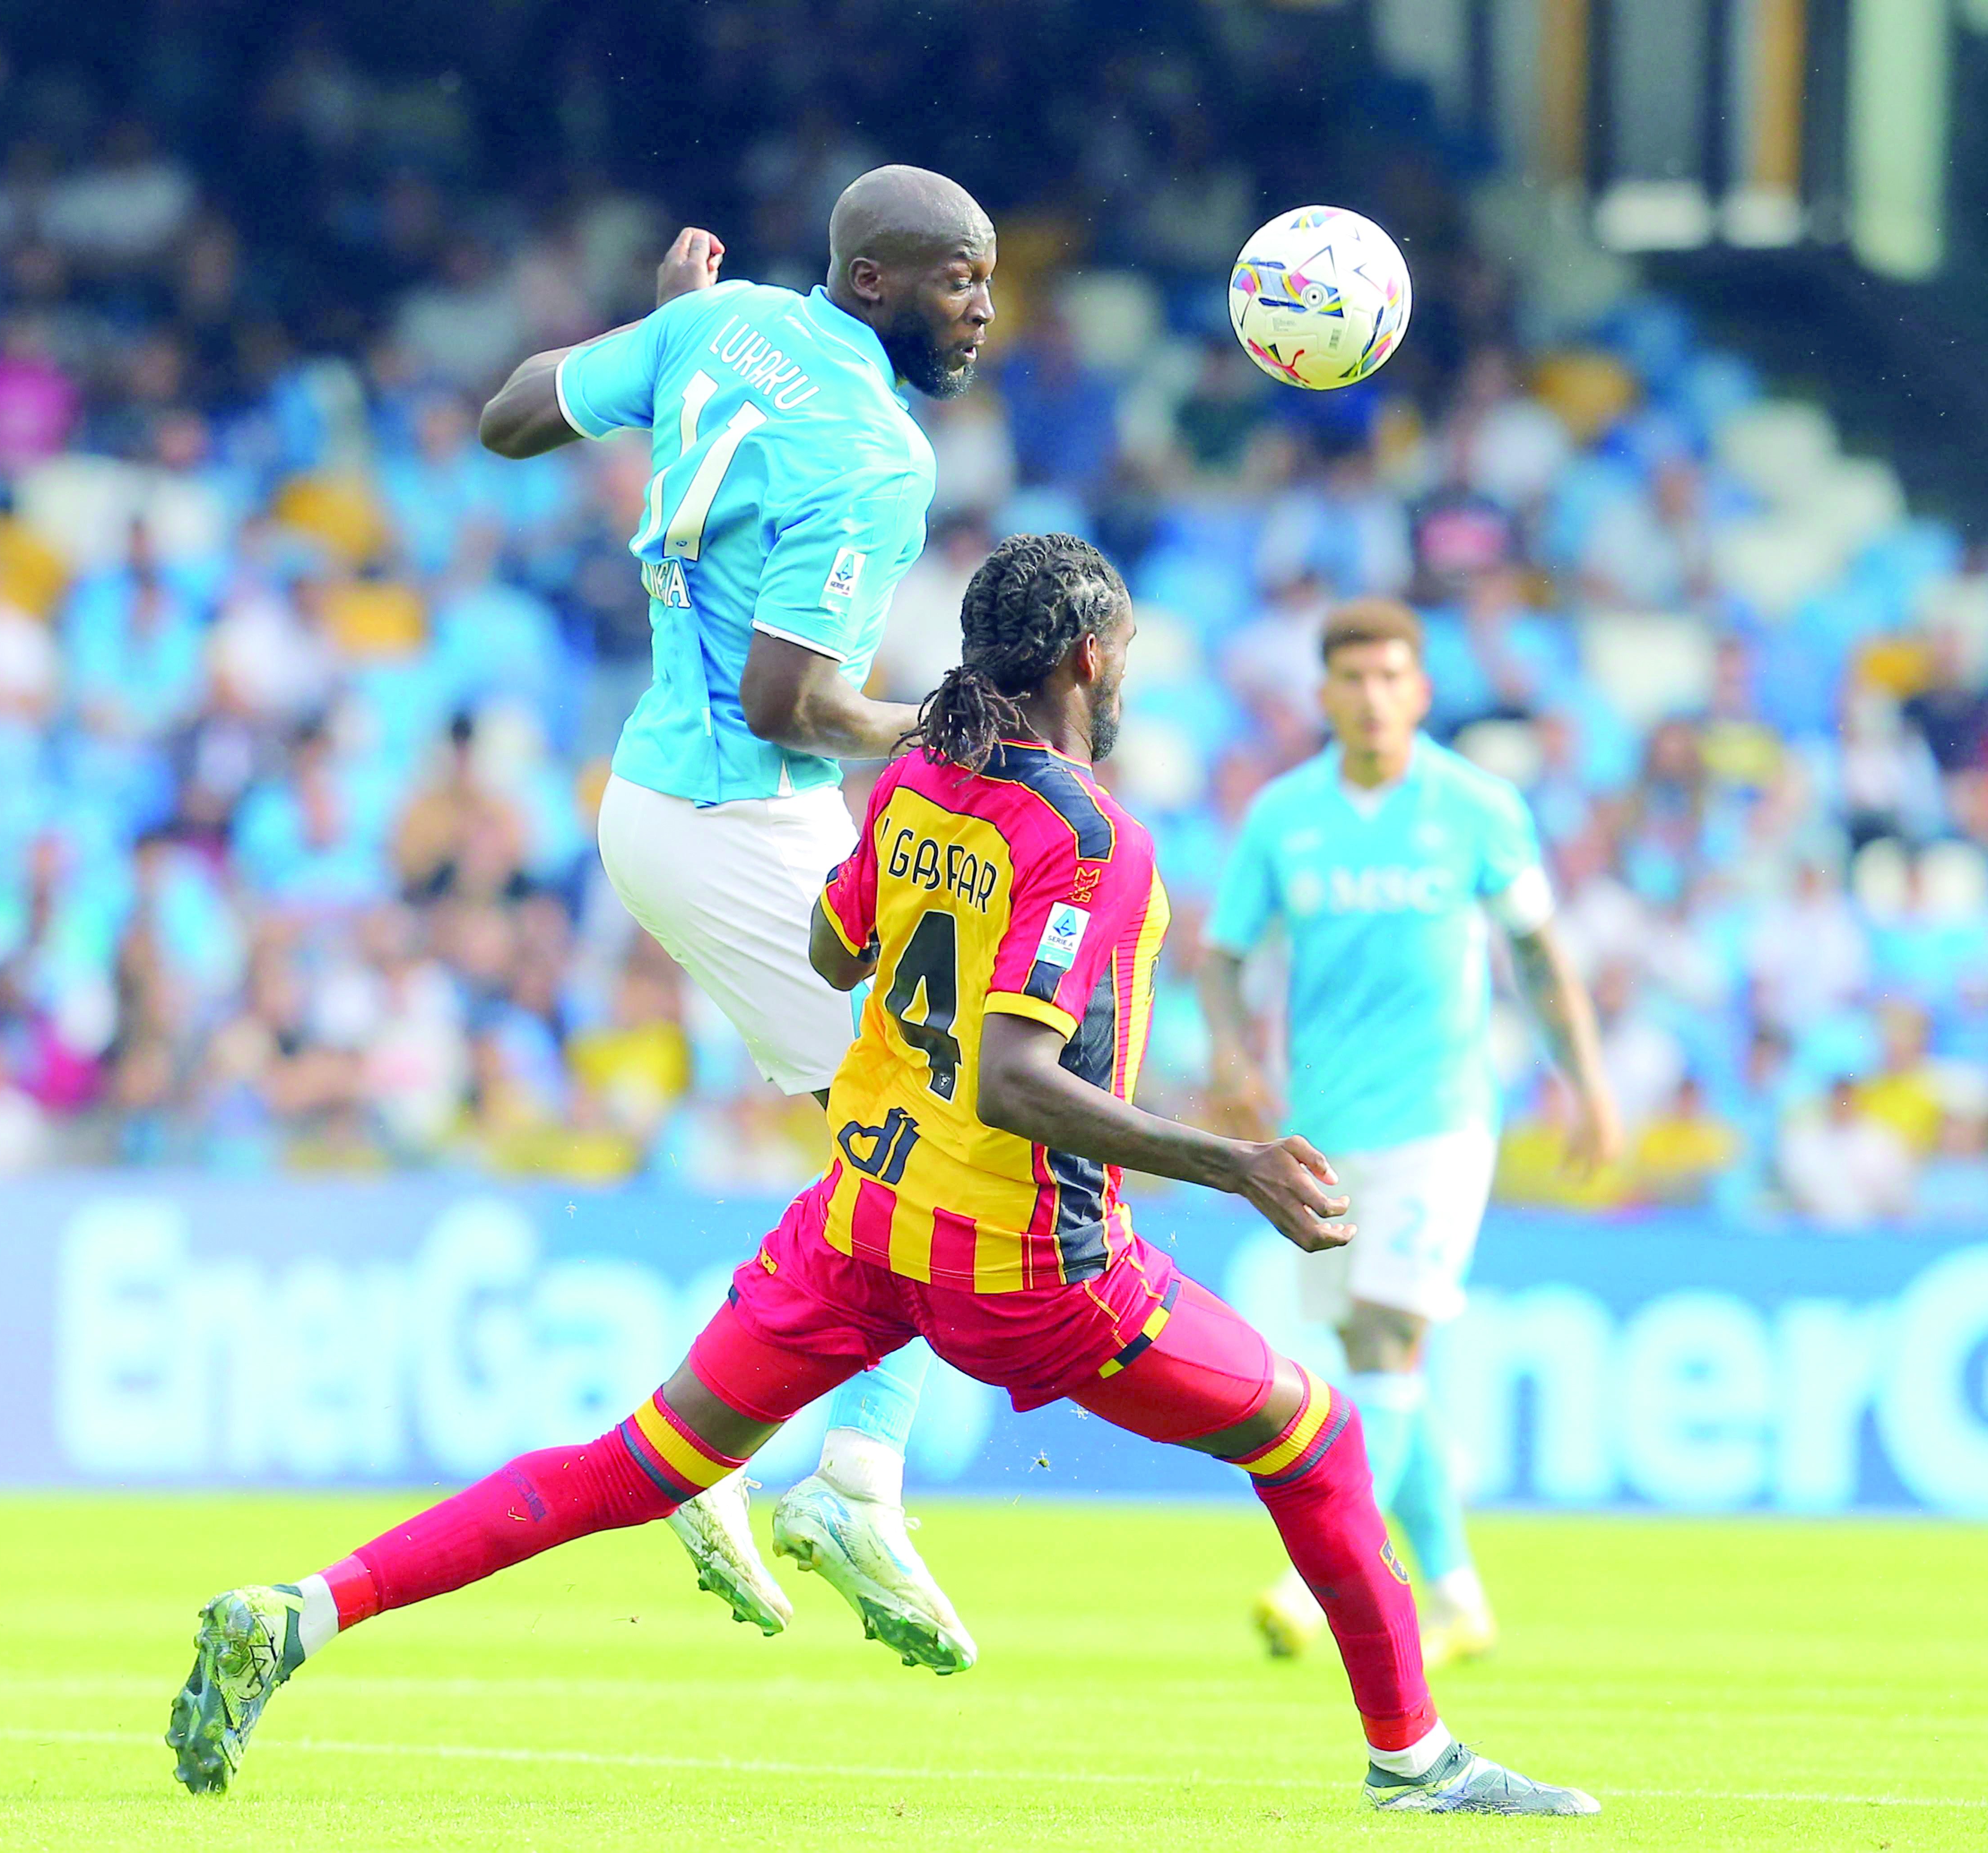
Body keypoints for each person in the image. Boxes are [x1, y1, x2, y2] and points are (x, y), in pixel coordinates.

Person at [165, 535, 1598, 1815]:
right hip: (1030, 1263)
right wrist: (1236, 1164)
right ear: (1091, 659)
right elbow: (1018, 1082)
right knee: (1322, 1439)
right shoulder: (1090, 836)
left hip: (861, 1217)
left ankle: (303, 1610)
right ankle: (1416, 1759)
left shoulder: (920, 776)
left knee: (639, 1464)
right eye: (1131, 656)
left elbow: (839, 950)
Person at [470, 166, 996, 1665]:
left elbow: (512, 414)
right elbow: (796, 700)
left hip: (686, 796)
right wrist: (952, 725)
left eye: (992, 279)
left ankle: (749, 1459)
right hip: (729, 808)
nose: (983, 309)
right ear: (880, 283)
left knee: (901, 1137)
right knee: (948, 1133)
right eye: (960, 278)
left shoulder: (728, 322)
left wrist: (665, 339)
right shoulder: (880, 453)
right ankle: (844, 1481)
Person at [1199, 597, 1620, 1671]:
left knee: (1387, 1335)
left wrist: (1589, 1084)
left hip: (1439, 1124)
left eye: (1393, 677)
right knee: (1381, 1366)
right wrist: (1235, 1062)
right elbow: (1223, 953)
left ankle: (1313, 1578)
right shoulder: (1285, 818)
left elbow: (1537, 952)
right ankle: (1463, 1598)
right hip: (1324, 1132)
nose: (1374, 696)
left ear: (1421, 692)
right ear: (1326, 694)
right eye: (1353, 679)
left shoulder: (1479, 808)